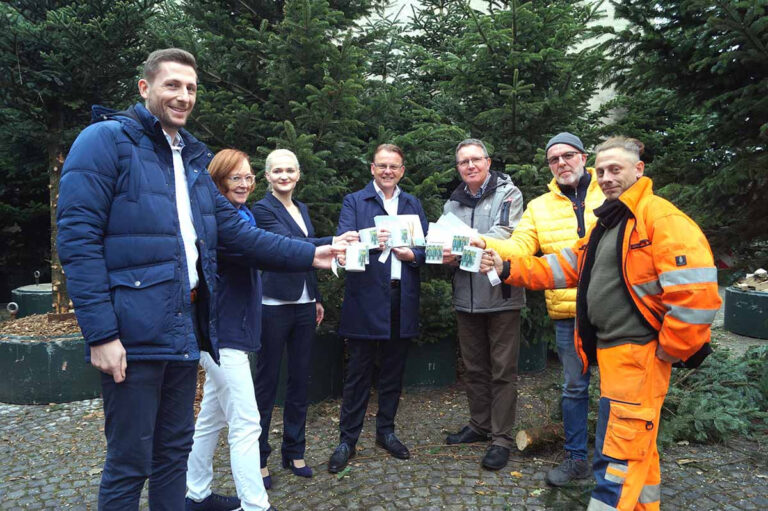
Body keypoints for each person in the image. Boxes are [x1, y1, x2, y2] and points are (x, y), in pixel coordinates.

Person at [56, 48, 336, 510]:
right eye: (172, 85)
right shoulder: (104, 140)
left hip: (186, 325)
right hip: (132, 329)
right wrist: (101, 333)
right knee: (129, 461)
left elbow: (240, 236)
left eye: (190, 88)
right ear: (145, 88)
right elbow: (78, 242)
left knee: (173, 452)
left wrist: (311, 252)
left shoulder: (189, 160)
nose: (183, 96)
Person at [480, 136, 721, 510]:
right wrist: (507, 266)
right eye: (603, 171)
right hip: (615, 355)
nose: (606, 178)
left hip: (637, 356)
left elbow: (696, 296)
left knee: (617, 459)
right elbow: (564, 266)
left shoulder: (660, 219)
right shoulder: (610, 223)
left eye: (615, 170)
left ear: (638, 169)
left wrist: (669, 350)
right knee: (638, 448)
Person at [475, 132, 604, 484]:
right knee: (574, 388)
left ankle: (611, 461)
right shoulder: (540, 207)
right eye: (553, 159)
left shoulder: (608, 190)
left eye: (568, 156)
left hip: (612, 312)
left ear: (583, 156)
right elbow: (520, 246)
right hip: (567, 314)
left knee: (614, 391)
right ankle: (577, 459)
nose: (561, 163)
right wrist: (484, 242)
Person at [251, 149, 358, 485]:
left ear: (298, 175)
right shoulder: (261, 210)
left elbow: (308, 258)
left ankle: (294, 450)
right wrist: (333, 240)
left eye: (290, 170)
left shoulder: (302, 209)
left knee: (300, 380)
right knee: (266, 384)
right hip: (272, 305)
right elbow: (289, 244)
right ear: (267, 176)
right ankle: (258, 457)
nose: (284, 176)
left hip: (303, 303)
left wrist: (316, 297)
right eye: (277, 171)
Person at [184, 149, 276, 511]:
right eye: (235, 177)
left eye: (249, 177)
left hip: (231, 331)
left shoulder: (242, 214)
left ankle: (196, 493)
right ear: (218, 180)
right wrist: (324, 250)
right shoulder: (221, 222)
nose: (244, 184)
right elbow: (267, 251)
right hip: (223, 335)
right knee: (246, 422)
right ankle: (256, 506)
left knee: (212, 414)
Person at [327, 143, 428, 473]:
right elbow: (343, 245)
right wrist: (369, 241)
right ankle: (348, 440)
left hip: (402, 297)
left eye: (394, 166)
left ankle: (386, 432)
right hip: (366, 298)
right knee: (358, 373)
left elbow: (427, 248)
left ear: (402, 170)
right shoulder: (355, 202)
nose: (388, 171)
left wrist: (413, 256)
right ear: (372, 168)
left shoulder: (412, 203)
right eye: (382, 166)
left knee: (393, 373)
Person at [441, 139, 525, 471]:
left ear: (488, 162)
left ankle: (502, 438)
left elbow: (506, 234)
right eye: (464, 162)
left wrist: (463, 246)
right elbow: (444, 244)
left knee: (503, 370)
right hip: (466, 297)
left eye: (476, 160)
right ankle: (479, 425)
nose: (470, 166)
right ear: (458, 168)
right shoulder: (453, 203)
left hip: (501, 297)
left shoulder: (509, 193)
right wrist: (445, 256)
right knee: (474, 368)